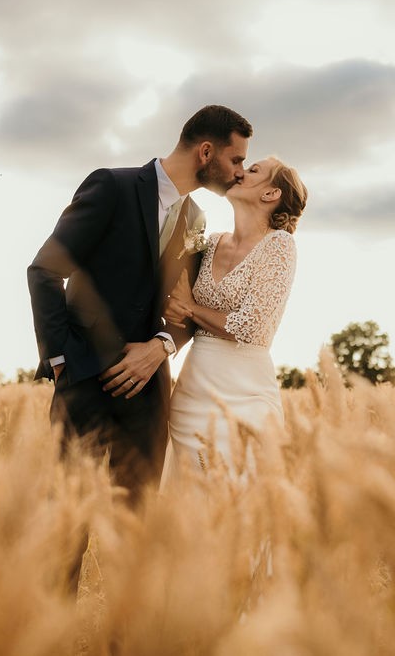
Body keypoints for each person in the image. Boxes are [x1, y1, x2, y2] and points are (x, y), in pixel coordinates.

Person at [27, 105, 253, 505]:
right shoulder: (112, 187)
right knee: (66, 522)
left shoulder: (197, 219)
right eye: (236, 159)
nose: (239, 171)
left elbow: (187, 306)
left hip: (148, 393)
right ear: (205, 152)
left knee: (137, 534)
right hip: (84, 385)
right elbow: (45, 270)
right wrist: (63, 361)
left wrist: (160, 346)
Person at [160, 156, 307, 483]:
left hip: (245, 393)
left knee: (240, 494)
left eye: (253, 171)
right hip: (193, 388)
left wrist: (191, 308)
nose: (240, 172)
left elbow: (252, 327)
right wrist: (175, 308)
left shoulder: (279, 245)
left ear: (270, 194)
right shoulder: (211, 242)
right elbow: (178, 303)